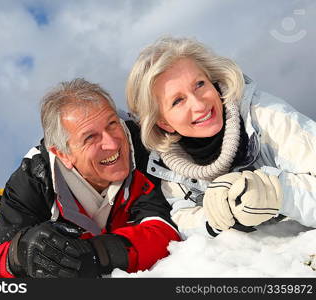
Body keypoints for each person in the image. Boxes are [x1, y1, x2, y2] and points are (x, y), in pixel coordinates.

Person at [0, 78, 180, 278]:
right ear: (63, 154)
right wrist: (20, 254)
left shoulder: (145, 146)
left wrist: (97, 254)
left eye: (112, 124)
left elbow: (165, 234)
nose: (112, 143)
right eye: (90, 137)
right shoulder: (34, 179)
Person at [126, 36, 316, 240]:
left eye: (199, 84)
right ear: (164, 123)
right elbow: (182, 215)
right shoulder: (168, 165)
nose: (199, 105)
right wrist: (213, 218)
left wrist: (277, 193)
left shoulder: (267, 116)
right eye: (178, 100)